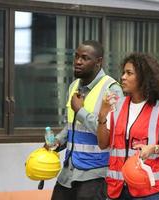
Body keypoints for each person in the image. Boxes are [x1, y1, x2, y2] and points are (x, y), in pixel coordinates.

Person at [47, 40, 123, 200]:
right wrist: (57, 142)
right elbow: (72, 127)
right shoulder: (74, 86)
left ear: (98, 62)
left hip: (95, 174)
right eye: (76, 57)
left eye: (85, 58)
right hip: (69, 172)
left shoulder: (112, 90)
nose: (78, 61)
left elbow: (111, 134)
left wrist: (80, 111)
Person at [97, 53, 159, 200]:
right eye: (123, 73)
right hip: (117, 188)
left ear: (143, 78)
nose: (123, 77)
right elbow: (103, 144)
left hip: (146, 189)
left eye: (129, 73)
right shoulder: (117, 106)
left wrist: (153, 148)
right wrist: (102, 115)